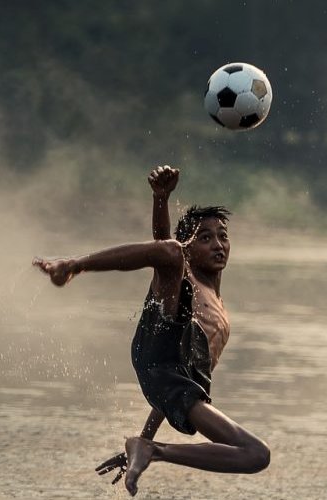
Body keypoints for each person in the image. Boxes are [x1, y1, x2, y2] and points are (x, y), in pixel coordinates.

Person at [32, 166, 269, 496]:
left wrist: (146, 437)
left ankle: (150, 450)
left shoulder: (220, 312)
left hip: (173, 376)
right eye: (205, 237)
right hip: (159, 340)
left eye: (223, 236)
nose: (218, 244)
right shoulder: (185, 276)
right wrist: (161, 198)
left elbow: (173, 389)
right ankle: (72, 266)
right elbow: (163, 245)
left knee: (256, 455)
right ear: (190, 249)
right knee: (167, 253)